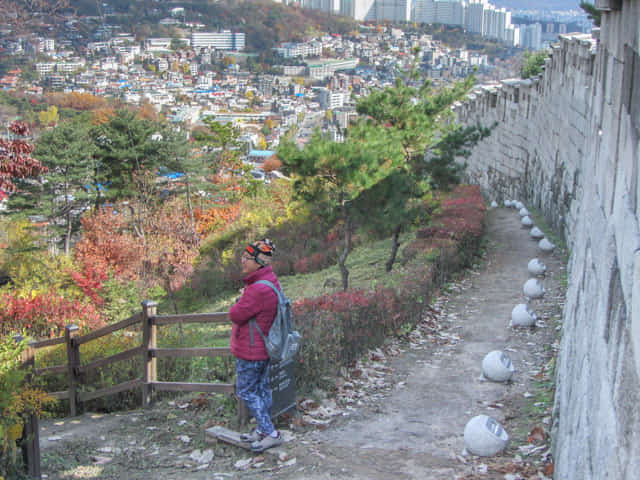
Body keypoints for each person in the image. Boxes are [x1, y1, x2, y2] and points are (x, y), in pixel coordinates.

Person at [229, 238, 284, 452]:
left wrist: (237, 303)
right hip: (264, 348)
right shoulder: (270, 280)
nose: (242, 260)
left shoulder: (256, 289)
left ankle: (271, 433)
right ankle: (262, 430)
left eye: (246, 258)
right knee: (262, 389)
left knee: (246, 391)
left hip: (251, 350)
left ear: (258, 262)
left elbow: (236, 314)